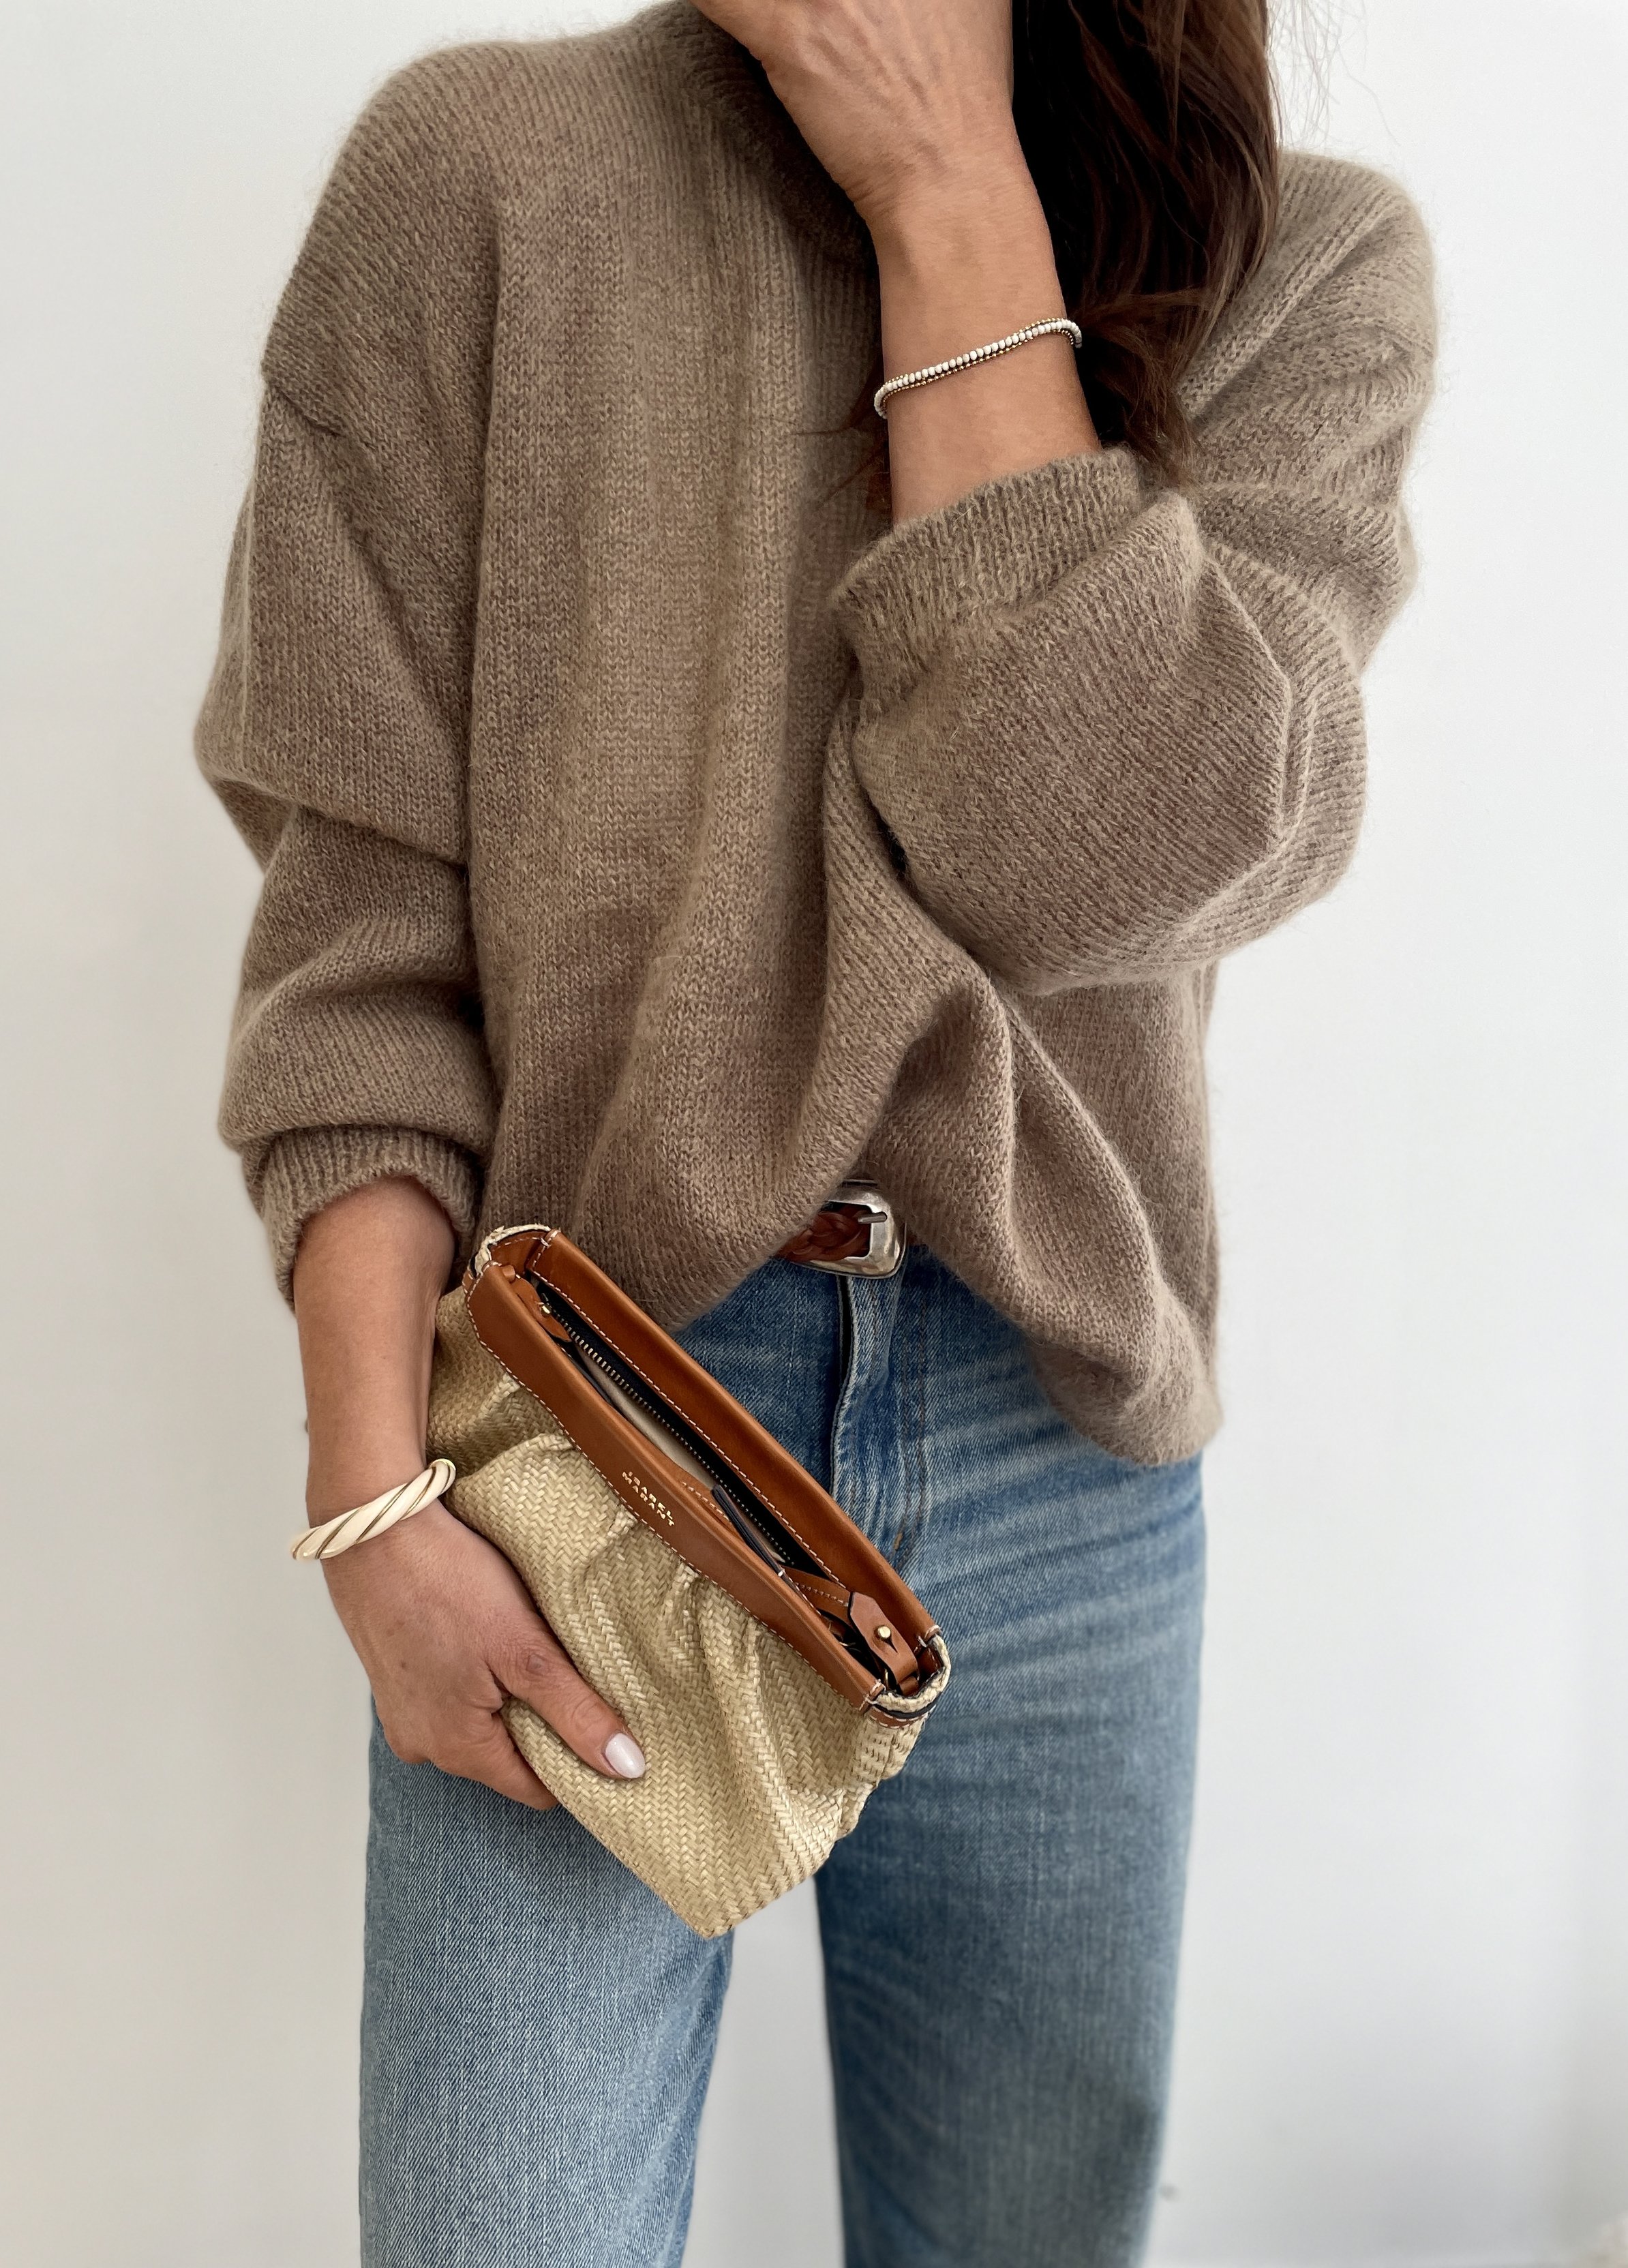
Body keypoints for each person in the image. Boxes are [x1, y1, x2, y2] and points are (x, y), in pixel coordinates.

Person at [197, 0, 1434, 2258]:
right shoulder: (482, 174)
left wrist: (946, 193)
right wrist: (369, 1499)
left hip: (1058, 1448)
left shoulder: (1300, 270)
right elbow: (359, 928)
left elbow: (1089, 853)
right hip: (588, 1426)